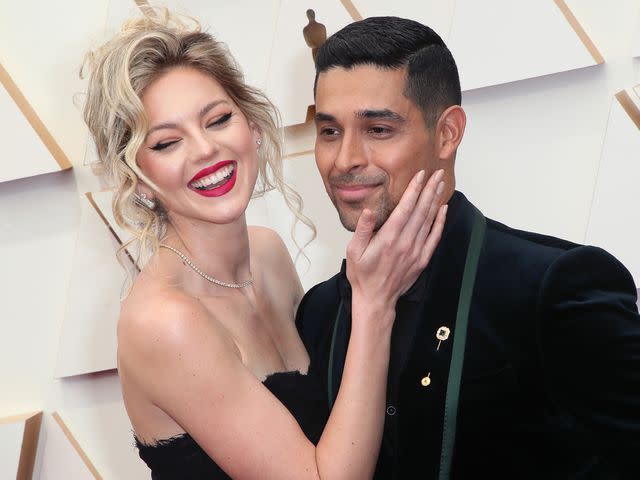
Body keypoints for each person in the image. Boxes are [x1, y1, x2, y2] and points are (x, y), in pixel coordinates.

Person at [81, 11, 448, 480]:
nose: (205, 150)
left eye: (217, 120)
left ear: (251, 125)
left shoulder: (267, 254)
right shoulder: (164, 322)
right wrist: (373, 304)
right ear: (140, 182)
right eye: (168, 143)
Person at [296, 16, 640, 479]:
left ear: (448, 133)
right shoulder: (318, 312)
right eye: (330, 131)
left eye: (378, 129)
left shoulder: (554, 286)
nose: (345, 160)